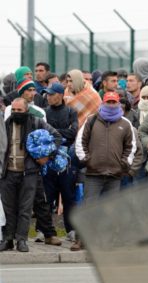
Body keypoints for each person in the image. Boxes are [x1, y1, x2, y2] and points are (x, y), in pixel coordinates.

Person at [0, 98, 61, 252]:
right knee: (9, 209)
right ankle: (8, 239)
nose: (16, 113)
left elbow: (57, 137)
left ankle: (21, 240)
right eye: (13, 110)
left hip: (29, 173)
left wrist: (47, 156)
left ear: (26, 110)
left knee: (25, 209)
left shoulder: (37, 122)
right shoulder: (5, 124)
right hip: (8, 173)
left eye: (19, 110)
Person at [43, 83, 79, 241]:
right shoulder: (44, 112)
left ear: (60, 95)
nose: (48, 97)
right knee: (46, 197)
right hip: (48, 160)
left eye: (51, 94)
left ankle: (71, 230)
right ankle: (43, 230)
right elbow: (42, 133)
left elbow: (73, 133)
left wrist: (53, 133)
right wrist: (60, 134)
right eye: (47, 94)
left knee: (68, 197)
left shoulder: (71, 111)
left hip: (66, 160)